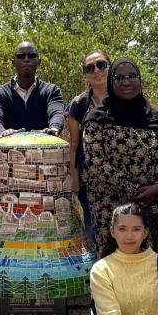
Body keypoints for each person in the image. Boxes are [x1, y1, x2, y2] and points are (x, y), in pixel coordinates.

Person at [81, 58, 158, 256]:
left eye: (132, 76)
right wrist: (136, 192)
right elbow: (96, 161)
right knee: (118, 266)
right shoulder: (97, 120)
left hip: (154, 207)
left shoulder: (153, 118)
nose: (126, 82)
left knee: (153, 267)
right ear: (110, 82)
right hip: (113, 206)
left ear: (140, 80)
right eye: (119, 78)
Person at [64, 50, 110, 250]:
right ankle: (96, 273)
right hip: (90, 178)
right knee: (93, 227)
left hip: (126, 175)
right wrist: (74, 176)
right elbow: (73, 144)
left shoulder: (126, 96)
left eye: (101, 65)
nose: (97, 71)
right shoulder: (78, 104)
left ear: (110, 65)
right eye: (90, 68)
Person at [0, 41, 64, 138]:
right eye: (21, 56)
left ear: (39, 62)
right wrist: (1, 131)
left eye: (32, 55)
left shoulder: (52, 91)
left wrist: (54, 128)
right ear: (13, 62)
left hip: (44, 150)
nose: (26, 59)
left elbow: (56, 113)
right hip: (9, 150)